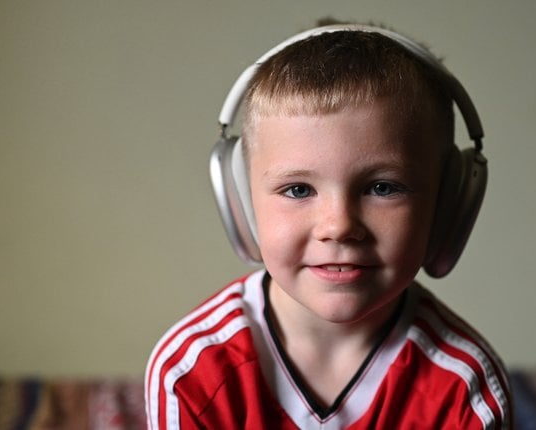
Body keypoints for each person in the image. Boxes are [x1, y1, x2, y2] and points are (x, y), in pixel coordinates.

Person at [145, 23, 512, 429]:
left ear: (447, 206)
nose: (338, 226)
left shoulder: (466, 388)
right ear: (242, 204)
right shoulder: (190, 372)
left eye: (382, 187)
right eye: (299, 189)